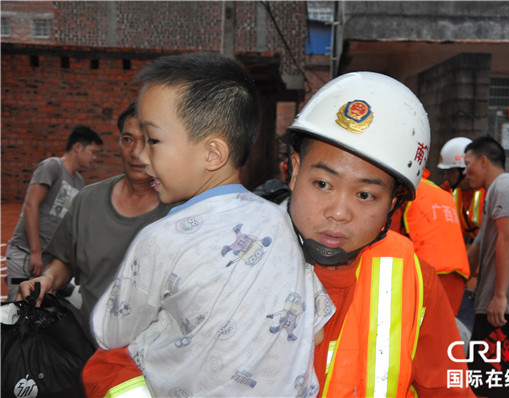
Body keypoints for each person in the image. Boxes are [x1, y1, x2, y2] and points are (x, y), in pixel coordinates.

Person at [90, 53, 333, 397]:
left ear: (213, 154)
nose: (141, 157)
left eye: (154, 141)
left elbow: (110, 332)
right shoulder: (282, 221)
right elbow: (317, 330)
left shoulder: (161, 239)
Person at [282, 72, 474, 397]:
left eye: (365, 195)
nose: (339, 213)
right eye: (323, 184)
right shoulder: (237, 257)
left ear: (393, 204)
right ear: (296, 169)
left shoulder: (415, 280)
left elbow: (446, 387)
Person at [17, 103, 173, 321]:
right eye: (128, 139)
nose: (136, 152)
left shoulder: (182, 208)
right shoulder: (87, 200)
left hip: (154, 352)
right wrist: (47, 279)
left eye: (150, 140)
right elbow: (64, 261)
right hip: (92, 347)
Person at [463, 136, 509, 398]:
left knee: (489, 376)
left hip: (503, 303)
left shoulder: (504, 186)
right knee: (489, 370)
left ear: (484, 161)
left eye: (468, 163)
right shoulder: (494, 193)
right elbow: (479, 247)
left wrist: (500, 296)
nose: (465, 171)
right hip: (495, 299)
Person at [6, 125, 102, 301]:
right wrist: (35, 252)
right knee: (16, 309)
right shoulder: (52, 167)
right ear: (78, 147)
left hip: (46, 261)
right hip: (26, 253)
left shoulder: (79, 182)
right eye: (93, 152)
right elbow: (30, 205)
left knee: (40, 311)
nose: (95, 158)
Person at [389, 169, 470, 317]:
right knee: (442, 334)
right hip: (457, 277)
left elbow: (387, 237)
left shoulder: (404, 189)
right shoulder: (441, 192)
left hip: (423, 275)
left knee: (410, 332)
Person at [438, 137, 486, 245]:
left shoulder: (489, 193)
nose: (446, 177)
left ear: (463, 170)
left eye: (450, 172)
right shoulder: (453, 189)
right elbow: (432, 194)